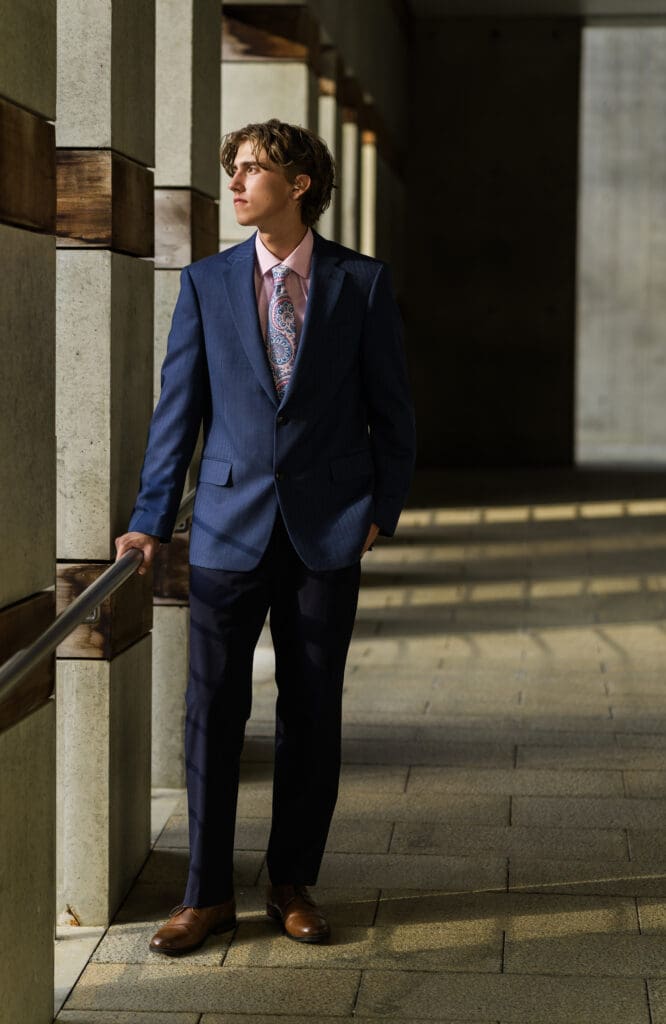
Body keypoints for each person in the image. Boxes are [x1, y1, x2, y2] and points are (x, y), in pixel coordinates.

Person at [114, 118, 416, 955]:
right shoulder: (207, 283)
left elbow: (393, 414)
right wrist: (147, 521)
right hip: (221, 531)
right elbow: (177, 415)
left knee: (312, 714)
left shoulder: (360, 283)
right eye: (234, 169)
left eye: (253, 170)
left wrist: (380, 510)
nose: (237, 183)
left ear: (301, 184)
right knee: (211, 710)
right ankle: (205, 896)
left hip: (325, 533)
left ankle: (291, 883)